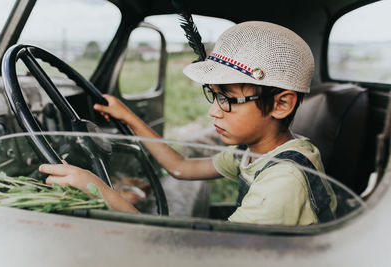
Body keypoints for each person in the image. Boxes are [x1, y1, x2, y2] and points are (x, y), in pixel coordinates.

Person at [39, 21, 337, 225]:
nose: (214, 113)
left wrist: (99, 191)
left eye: (227, 99)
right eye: (214, 96)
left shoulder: (284, 181)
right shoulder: (254, 151)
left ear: (281, 104)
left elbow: (195, 255)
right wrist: (128, 116)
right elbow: (180, 167)